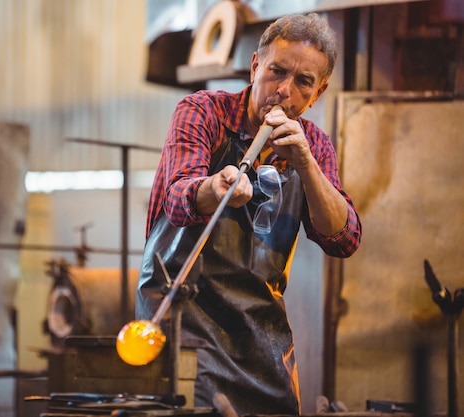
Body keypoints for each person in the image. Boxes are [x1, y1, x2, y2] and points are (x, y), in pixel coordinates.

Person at [135, 12, 362, 416]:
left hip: (260, 337)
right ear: (256, 67)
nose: (284, 91)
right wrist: (215, 187)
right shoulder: (203, 113)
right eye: (277, 71)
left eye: (303, 82)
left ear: (319, 91)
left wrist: (307, 164)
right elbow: (178, 197)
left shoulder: (314, 146)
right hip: (187, 326)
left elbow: (343, 239)